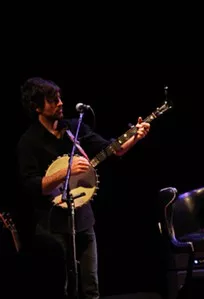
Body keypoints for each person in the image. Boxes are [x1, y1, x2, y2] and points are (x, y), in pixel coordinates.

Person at [16, 77, 150, 298]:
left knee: (91, 288)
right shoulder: (28, 142)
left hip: (83, 220)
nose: (60, 103)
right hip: (52, 227)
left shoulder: (73, 128)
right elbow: (31, 185)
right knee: (63, 288)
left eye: (59, 97)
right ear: (36, 107)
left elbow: (112, 149)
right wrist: (64, 171)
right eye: (52, 100)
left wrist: (134, 136)